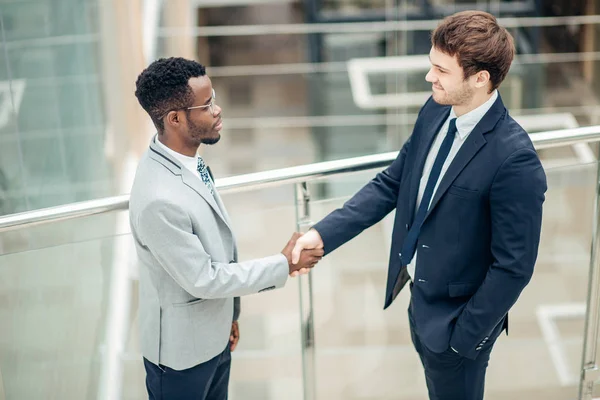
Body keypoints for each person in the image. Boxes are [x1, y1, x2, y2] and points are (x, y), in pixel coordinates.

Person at [292, 11, 547, 400]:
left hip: (458, 327)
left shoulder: (514, 159)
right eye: (432, 66)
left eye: (442, 70)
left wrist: (462, 339)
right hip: (419, 300)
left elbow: (514, 267)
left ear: (481, 78)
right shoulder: (434, 111)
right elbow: (393, 183)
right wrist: (322, 234)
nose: (430, 77)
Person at [130, 57, 323, 400]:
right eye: (207, 105)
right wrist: (284, 263)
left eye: (214, 98)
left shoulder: (188, 160)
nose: (218, 110)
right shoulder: (158, 200)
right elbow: (204, 278)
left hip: (214, 337)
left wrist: (229, 317)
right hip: (181, 360)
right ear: (174, 119)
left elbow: (217, 247)